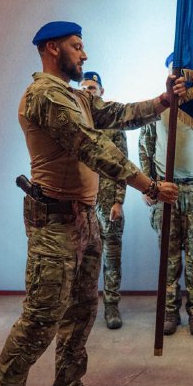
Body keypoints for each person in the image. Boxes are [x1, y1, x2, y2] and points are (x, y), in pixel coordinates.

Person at [0, 21, 183, 386]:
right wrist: (148, 185)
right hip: (54, 224)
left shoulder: (76, 97)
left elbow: (115, 114)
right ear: (53, 48)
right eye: (76, 46)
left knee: (81, 312)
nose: (84, 55)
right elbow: (91, 147)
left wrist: (163, 101)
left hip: (84, 220)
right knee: (39, 322)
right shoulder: (45, 95)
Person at [138, 53, 193, 337]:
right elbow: (145, 145)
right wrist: (149, 185)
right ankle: (170, 311)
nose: (179, 76)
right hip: (166, 190)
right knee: (168, 258)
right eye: (174, 71)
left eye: (184, 72)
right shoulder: (160, 106)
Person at [80, 71, 127, 329]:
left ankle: (111, 306)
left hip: (108, 203)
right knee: (84, 260)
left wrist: (119, 201)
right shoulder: (75, 121)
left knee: (112, 258)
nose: (88, 91)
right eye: (84, 87)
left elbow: (122, 164)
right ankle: (84, 308)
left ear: (101, 92)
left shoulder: (113, 124)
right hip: (83, 203)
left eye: (92, 88)